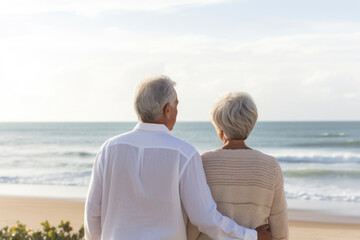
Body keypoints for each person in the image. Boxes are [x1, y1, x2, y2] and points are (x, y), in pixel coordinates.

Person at [84, 76, 271, 240]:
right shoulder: (184, 154)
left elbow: (92, 213)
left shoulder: (109, 149)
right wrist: (251, 236)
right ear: (167, 110)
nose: (176, 111)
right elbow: (204, 218)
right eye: (176, 105)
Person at [187, 92, 289, 240]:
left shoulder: (202, 163)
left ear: (219, 128)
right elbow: (280, 229)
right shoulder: (271, 166)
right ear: (251, 124)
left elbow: (193, 223)